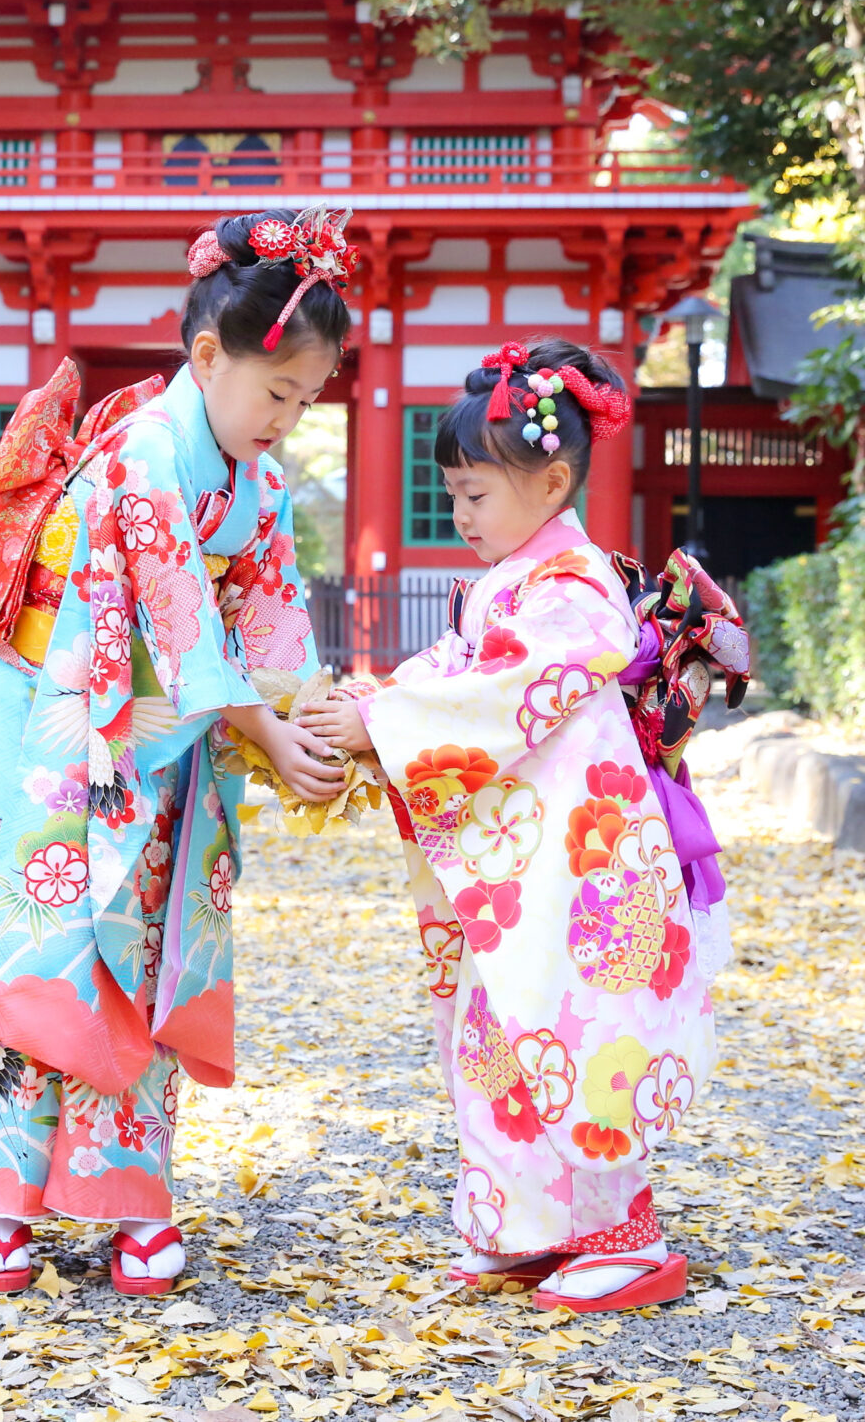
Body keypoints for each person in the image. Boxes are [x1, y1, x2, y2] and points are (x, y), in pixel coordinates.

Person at [0, 208, 351, 1297]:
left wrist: (310, 718)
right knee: (38, 937)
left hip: (158, 742)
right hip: (54, 727)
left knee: (145, 941)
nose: (290, 420)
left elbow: (270, 624)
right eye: (278, 394)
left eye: (307, 401)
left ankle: (129, 1197)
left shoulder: (253, 485)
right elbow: (176, 608)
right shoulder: (138, 454)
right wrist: (259, 722)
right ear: (207, 356)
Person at [299, 336, 746, 1313]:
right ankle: (531, 1223)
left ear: (550, 483)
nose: (458, 516)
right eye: (452, 494)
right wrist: (375, 708)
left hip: (580, 863)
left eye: (474, 496)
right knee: (500, 1026)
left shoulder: (575, 590)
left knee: (578, 1024)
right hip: (526, 858)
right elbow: (461, 670)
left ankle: (624, 1234)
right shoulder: (521, 581)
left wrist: (377, 720)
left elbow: (500, 687)